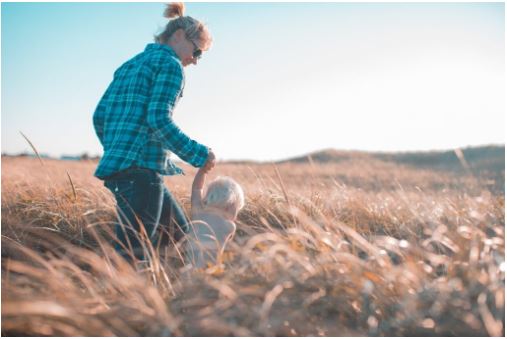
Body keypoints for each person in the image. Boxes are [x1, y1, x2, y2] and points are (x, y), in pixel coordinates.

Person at [93, 2, 215, 260]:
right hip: (141, 172)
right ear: (179, 36)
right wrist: (199, 154)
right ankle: (119, 298)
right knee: (132, 254)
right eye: (198, 52)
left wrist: (118, 149)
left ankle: (180, 296)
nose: (195, 61)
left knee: (181, 239)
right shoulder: (171, 65)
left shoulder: (130, 64)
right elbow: (158, 120)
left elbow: (99, 116)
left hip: (123, 169)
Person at [186, 163, 245, 268]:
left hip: (189, 268)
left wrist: (202, 171)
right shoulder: (229, 226)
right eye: (237, 209)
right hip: (210, 270)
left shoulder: (198, 212)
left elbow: (197, 188)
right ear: (230, 205)